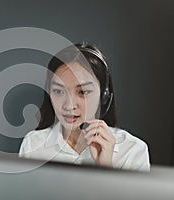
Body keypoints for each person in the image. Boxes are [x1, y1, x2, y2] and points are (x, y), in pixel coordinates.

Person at [19, 43, 150, 172]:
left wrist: (106, 168)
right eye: (59, 91)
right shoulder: (33, 144)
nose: (69, 106)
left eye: (82, 92)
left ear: (104, 95)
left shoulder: (132, 150)